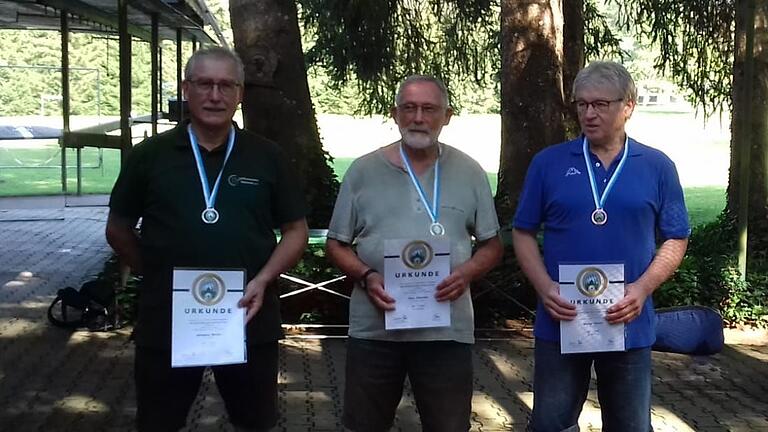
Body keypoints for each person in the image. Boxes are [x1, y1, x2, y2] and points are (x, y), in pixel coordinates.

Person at [106, 47, 308, 432]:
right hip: (168, 320)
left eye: (226, 85)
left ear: (240, 93)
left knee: (255, 423)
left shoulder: (267, 156)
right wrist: (160, 275)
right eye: (204, 84)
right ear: (186, 89)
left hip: (248, 316)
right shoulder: (150, 156)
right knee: (159, 422)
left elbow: (295, 230)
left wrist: (264, 280)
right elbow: (118, 228)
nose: (215, 95)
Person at [512, 61, 690, 431]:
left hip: (629, 322)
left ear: (628, 107)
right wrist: (545, 289)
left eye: (600, 104)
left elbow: (676, 236)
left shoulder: (657, 166)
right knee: (550, 425)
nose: (589, 114)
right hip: (562, 321)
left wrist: (642, 290)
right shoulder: (548, 163)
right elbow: (523, 232)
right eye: (581, 105)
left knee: (630, 426)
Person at [326, 75, 503, 432]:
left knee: (449, 426)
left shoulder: (469, 171)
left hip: (446, 331)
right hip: (375, 330)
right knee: (364, 425)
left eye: (428, 108)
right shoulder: (363, 171)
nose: (418, 117)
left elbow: (492, 244)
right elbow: (336, 243)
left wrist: (467, 273)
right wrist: (366, 275)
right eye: (409, 108)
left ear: (447, 115)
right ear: (395, 114)